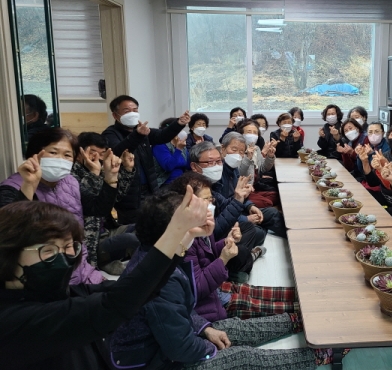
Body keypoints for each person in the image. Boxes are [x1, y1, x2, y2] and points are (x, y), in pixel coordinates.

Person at [110, 190, 333, 370]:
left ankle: (296, 321)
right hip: (157, 360)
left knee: (233, 329)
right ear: (173, 228)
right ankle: (318, 356)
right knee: (242, 357)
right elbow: (179, 348)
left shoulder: (159, 254)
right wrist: (210, 348)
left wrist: (205, 328)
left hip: (168, 340)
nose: (204, 215)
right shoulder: (159, 278)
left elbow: (180, 312)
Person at [0, 185, 211, 369]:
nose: (63, 258)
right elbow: (114, 305)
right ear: (9, 253)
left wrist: (185, 237)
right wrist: (175, 230)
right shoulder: (14, 321)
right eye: (48, 250)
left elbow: (135, 291)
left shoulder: (56, 294)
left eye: (68, 247)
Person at [176, 173, 297, 321]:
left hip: (216, 288)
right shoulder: (184, 240)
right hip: (210, 306)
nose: (210, 204)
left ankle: (300, 297)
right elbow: (197, 289)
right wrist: (223, 259)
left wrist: (226, 241)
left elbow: (209, 253)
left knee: (261, 292)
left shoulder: (202, 223)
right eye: (205, 200)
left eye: (210, 199)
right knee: (261, 305)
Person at [0, 128, 104, 284]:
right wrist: (29, 185)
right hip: (42, 278)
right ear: (35, 154)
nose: (60, 159)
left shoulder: (70, 181)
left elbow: (97, 207)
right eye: (53, 152)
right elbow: (9, 234)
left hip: (80, 269)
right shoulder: (11, 187)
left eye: (67, 155)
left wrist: (111, 178)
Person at [102, 95, 189, 224]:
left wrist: (178, 124)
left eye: (135, 110)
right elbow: (119, 151)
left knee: (154, 222)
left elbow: (162, 136)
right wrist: (137, 135)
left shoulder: (141, 130)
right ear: (115, 115)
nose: (132, 113)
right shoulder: (110, 134)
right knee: (133, 227)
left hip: (149, 187)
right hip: (129, 191)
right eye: (127, 111)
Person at [72, 131, 138, 275]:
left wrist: (127, 170)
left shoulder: (99, 168)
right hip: (90, 241)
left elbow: (115, 197)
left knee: (144, 227)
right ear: (79, 152)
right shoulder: (72, 175)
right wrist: (94, 174)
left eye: (102, 153)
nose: (97, 157)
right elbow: (91, 206)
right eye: (92, 152)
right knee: (130, 239)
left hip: (107, 231)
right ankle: (106, 263)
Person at [188, 141, 271, 249]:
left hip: (230, 218)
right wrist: (243, 214)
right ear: (194, 166)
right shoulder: (192, 189)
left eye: (218, 161)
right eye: (210, 162)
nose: (216, 166)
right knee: (255, 232)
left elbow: (225, 202)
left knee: (265, 218)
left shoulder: (212, 181)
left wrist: (247, 203)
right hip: (207, 240)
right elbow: (212, 230)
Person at [217, 133, 287, 239]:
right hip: (227, 216)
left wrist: (250, 206)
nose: (237, 155)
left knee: (272, 213)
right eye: (234, 149)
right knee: (257, 232)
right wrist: (245, 219)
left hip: (238, 209)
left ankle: (295, 236)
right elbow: (220, 210)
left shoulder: (234, 168)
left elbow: (240, 195)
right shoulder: (217, 173)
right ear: (223, 149)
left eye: (241, 152)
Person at [153, 117, 190, 187]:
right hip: (166, 184)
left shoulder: (181, 145)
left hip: (181, 181)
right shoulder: (160, 145)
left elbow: (188, 165)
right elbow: (168, 166)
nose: (182, 132)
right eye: (179, 129)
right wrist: (178, 149)